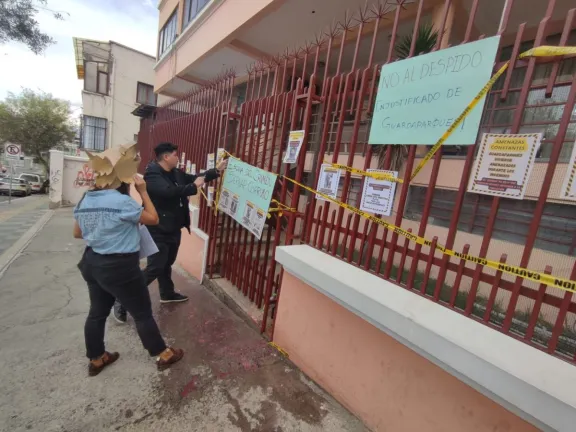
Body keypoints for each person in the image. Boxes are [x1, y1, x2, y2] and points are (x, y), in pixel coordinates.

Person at [74, 143, 184, 376]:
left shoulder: (87, 198)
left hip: (92, 262)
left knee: (97, 313)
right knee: (142, 312)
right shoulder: (121, 202)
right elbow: (153, 218)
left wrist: (102, 230)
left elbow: (77, 232)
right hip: (119, 266)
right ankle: (162, 354)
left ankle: (96, 359)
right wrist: (143, 190)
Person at [113, 142, 227, 323]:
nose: (178, 158)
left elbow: (194, 177)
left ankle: (167, 293)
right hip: (156, 228)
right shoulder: (152, 173)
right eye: (175, 155)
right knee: (155, 266)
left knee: (167, 263)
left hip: (173, 227)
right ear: (166, 157)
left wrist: (216, 171)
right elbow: (168, 192)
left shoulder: (176, 173)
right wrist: (193, 187)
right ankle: (122, 299)